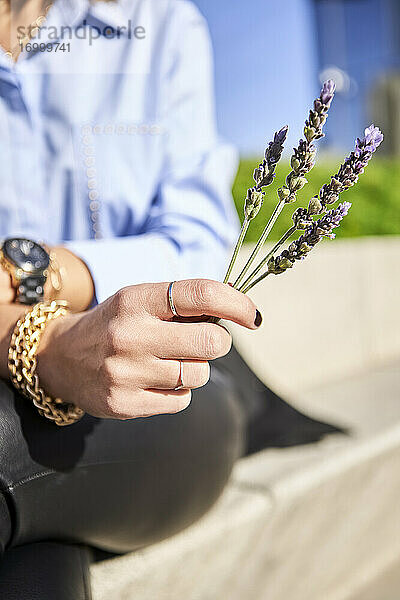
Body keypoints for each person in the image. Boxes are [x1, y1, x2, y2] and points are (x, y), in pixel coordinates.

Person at [0, 1, 337, 597]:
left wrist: (39, 272)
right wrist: (38, 341)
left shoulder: (157, 25)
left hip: (135, 365)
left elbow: (198, 245)